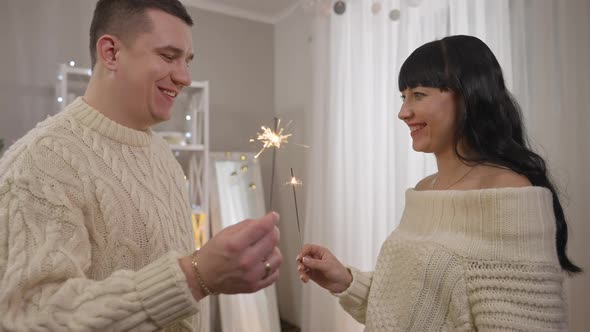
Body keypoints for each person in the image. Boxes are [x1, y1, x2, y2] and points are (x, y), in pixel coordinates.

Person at [0, 0, 282, 331]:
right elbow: (34, 315)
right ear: (111, 53)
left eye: (187, 61)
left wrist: (210, 267)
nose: (185, 77)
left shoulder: (163, 155)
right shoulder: (39, 161)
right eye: (168, 56)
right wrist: (195, 276)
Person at [297, 35, 581, 331]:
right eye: (403, 96)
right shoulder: (424, 190)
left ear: (469, 95)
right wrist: (344, 281)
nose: (403, 112)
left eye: (418, 94)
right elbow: (408, 311)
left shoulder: (510, 194)